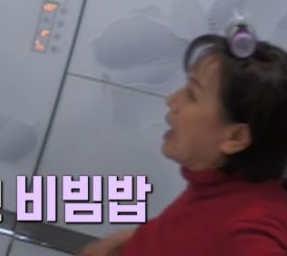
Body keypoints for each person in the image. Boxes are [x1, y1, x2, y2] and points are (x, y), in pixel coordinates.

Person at [80, 30, 287, 256]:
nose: (172, 100)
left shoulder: (248, 229)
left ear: (235, 138)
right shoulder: (218, 190)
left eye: (192, 95)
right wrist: (138, 239)